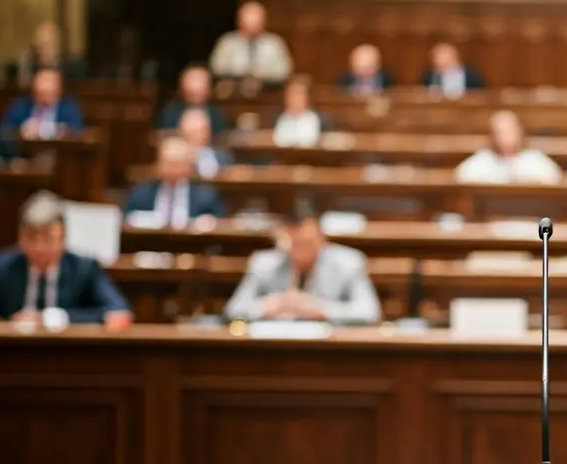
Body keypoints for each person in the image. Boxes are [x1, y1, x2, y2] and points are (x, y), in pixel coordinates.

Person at [0, 190, 131, 327]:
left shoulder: (83, 267)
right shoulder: (6, 266)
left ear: (63, 239)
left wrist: (56, 318)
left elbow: (119, 312)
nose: (39, 248)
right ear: (20, 238)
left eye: (48, 239)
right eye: (31, 238)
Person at [224, 197, 382, 325]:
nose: (301, 251)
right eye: (295, 244)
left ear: (321, 238)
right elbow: (233, 310)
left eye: (307, 243)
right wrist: (269, 305)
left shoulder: (349, 262)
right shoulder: (264, 263)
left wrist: (320, 309)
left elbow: (369, 312)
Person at [122, 137, 226, 228]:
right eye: (168, 163)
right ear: (158, 165)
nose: (172, 170)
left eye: (177, 164)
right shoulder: (141, 194)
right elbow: (127, 220)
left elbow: (218, 224)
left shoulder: (205, 197)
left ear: (188, 167)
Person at [454, 110, 561, 184]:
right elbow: (461, 178)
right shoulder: (479, 162)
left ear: (520, 132)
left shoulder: (536, 159)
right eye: (500, 132)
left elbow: (555, 180)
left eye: (510, 131)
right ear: (491, 136)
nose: (506, 137)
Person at [209, 1, 294, 85]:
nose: (252, 23)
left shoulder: (275, 43)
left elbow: (284, 72)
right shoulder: (227, 42)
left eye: (256, 19)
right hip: (234, 89)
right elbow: (217, 68)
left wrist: (260, 77)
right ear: (239, 21)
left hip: (267, 90)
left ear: (264, 21)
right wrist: (241, 75)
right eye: (249, 18)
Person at [1, 68, 85, 139]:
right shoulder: (20, 106)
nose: (44, 88)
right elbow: (4, 130)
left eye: (50, 85)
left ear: (59, 89)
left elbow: (77, 130)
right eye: (40, 93)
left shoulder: (69, 107)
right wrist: (23, 129)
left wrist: (45, 130)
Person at [3, 22, 88, 86]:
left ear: (57, 46)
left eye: (47, 45)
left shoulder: (73, 68)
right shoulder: (30, 67)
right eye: (39, 46)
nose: (42, 51)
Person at [156, 66, 229, 133]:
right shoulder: (169, 114)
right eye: (192, 93)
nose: (195, 89)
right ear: (182, 90)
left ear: (209, 90)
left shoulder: (217, 115)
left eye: (200, 90)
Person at [272, 77, 330, 147]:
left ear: (306, 99)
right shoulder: (277, 118)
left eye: (298, 95)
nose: (293, 100)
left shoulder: (320, 120)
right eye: (290, 96)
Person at [176, 108, 233, 179]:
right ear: (182, 134)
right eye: (194, 132)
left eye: (203, 130)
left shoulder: (223, 156)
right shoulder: (175, 160)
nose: (199, 136)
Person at [419, 42, 484, 99]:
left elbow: (481, 94)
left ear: (454, 58)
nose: (439, 67)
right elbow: (422, 92)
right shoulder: (430, 75)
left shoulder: (471, 75)